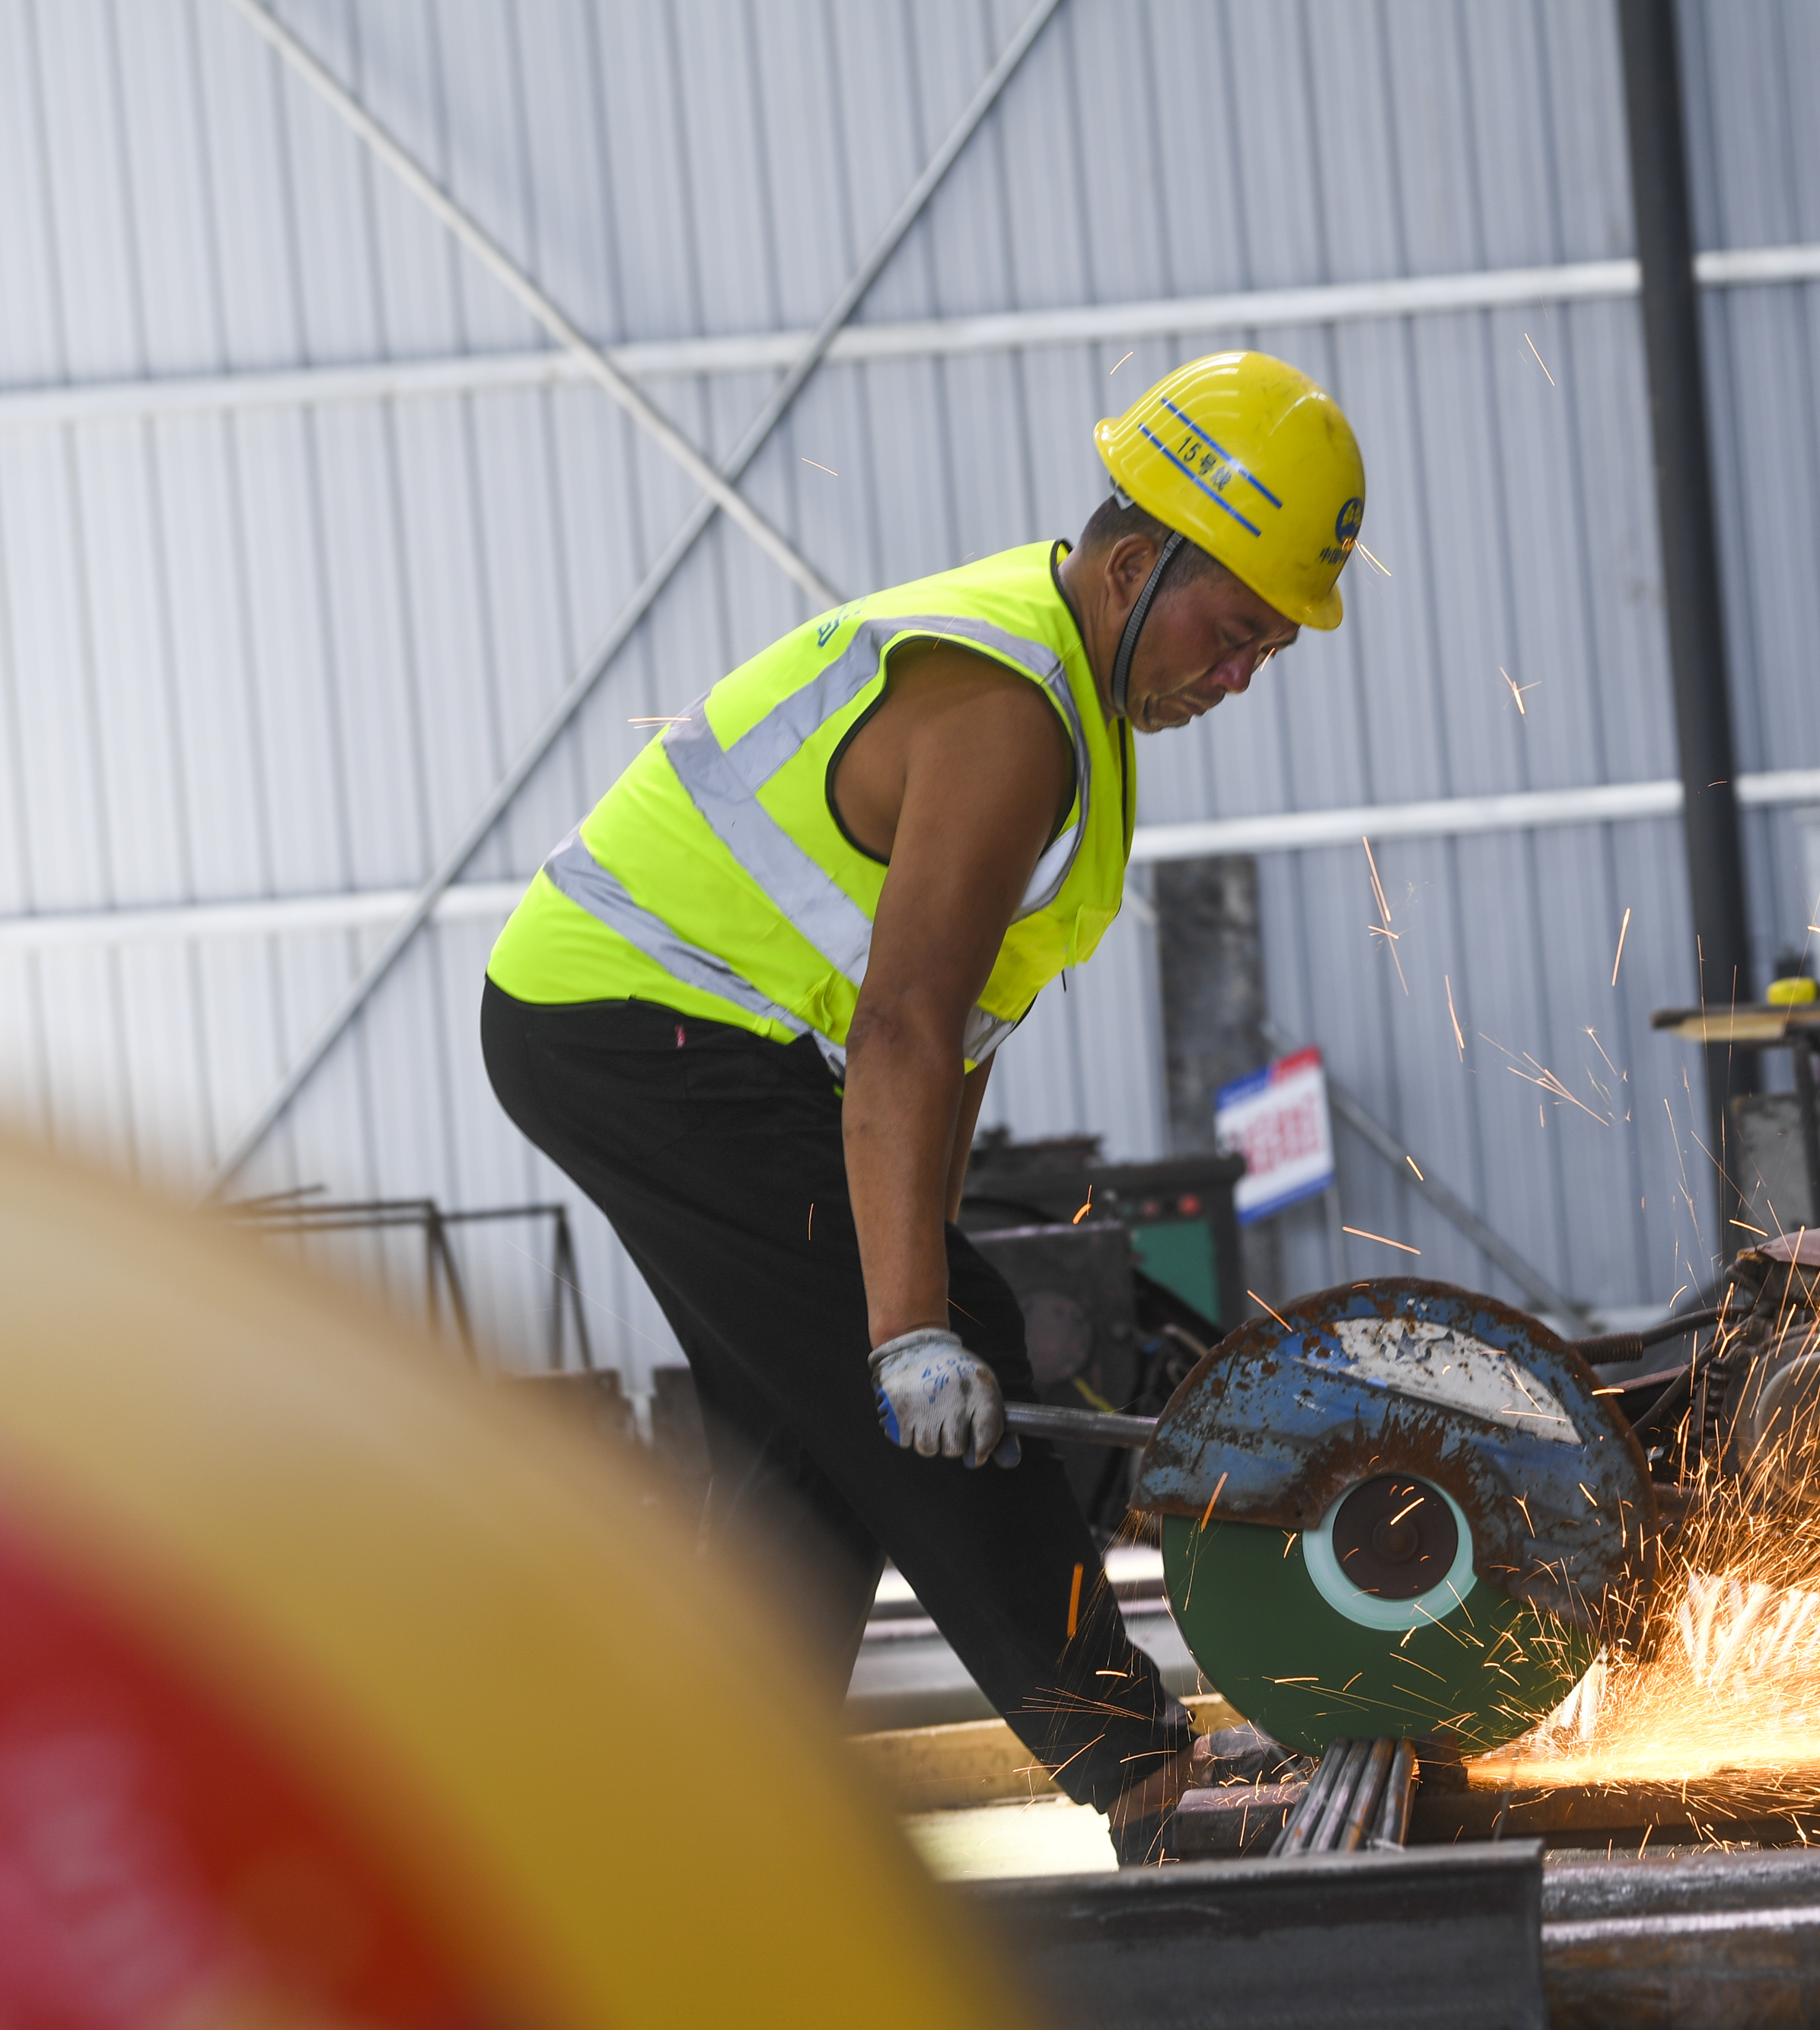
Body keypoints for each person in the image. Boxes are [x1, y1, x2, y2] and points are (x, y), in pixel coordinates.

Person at [477, 352, 1363, 1863]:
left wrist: (913, 1274)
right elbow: (898, 1020)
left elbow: (954, 1042)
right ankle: (1145, 1776)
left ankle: (702, 1807)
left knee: (811, 1438)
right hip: (634, 1023)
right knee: (922, 1378)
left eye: (1269, 652)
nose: (1237, 674)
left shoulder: (1072, 702)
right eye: (1230, 632)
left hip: (648, 1033)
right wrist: (915, 1318)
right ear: (1135, 564)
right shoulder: (1011, 703)